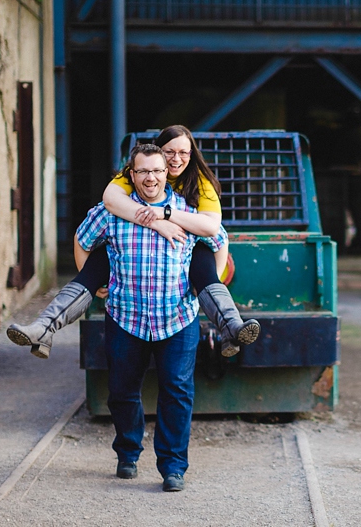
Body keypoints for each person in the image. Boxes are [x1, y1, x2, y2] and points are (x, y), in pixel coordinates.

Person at [7, 125, 257, 359]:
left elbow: (215, 231)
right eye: (169, 152)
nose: (175, 159)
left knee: (204, 269)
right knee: (96, 266)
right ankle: (43, 328)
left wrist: (167, 214)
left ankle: (232, 328)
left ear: (191, 155)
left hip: (187, 246)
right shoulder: (136, 173)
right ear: (157, 154)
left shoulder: (199, 183)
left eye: (183, 152)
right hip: (132, 242)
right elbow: (111, 201)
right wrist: (156, 222)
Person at [83, 144, 231, 491]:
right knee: (121, 389)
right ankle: (128, 453)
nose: (150, 178)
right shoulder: (112, 211)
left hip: (177, 317)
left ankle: (173, 467)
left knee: (177, 391)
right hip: (125, 316)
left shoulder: (188, 212)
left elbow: (219, 239)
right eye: (143, 171)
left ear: (168, 173)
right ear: (131, 175)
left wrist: (208, 285)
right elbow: (83, 239)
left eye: (157, 171)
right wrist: (93, 282)